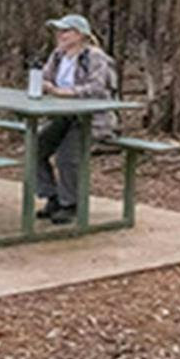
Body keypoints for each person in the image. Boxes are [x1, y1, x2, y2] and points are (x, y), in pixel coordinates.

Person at [32, 13, 117, 224]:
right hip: (62, 117)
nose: (60, 35)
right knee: (35, 148)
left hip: (89, 118)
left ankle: (70, 203)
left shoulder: (95, 57)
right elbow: (45, 77)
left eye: (65, 31)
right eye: (59, 31)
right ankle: (52, 196)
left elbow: (97, 88)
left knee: (66, 158)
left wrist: (64, 92)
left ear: (80, 34)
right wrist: (42, 84)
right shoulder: (58, 55)